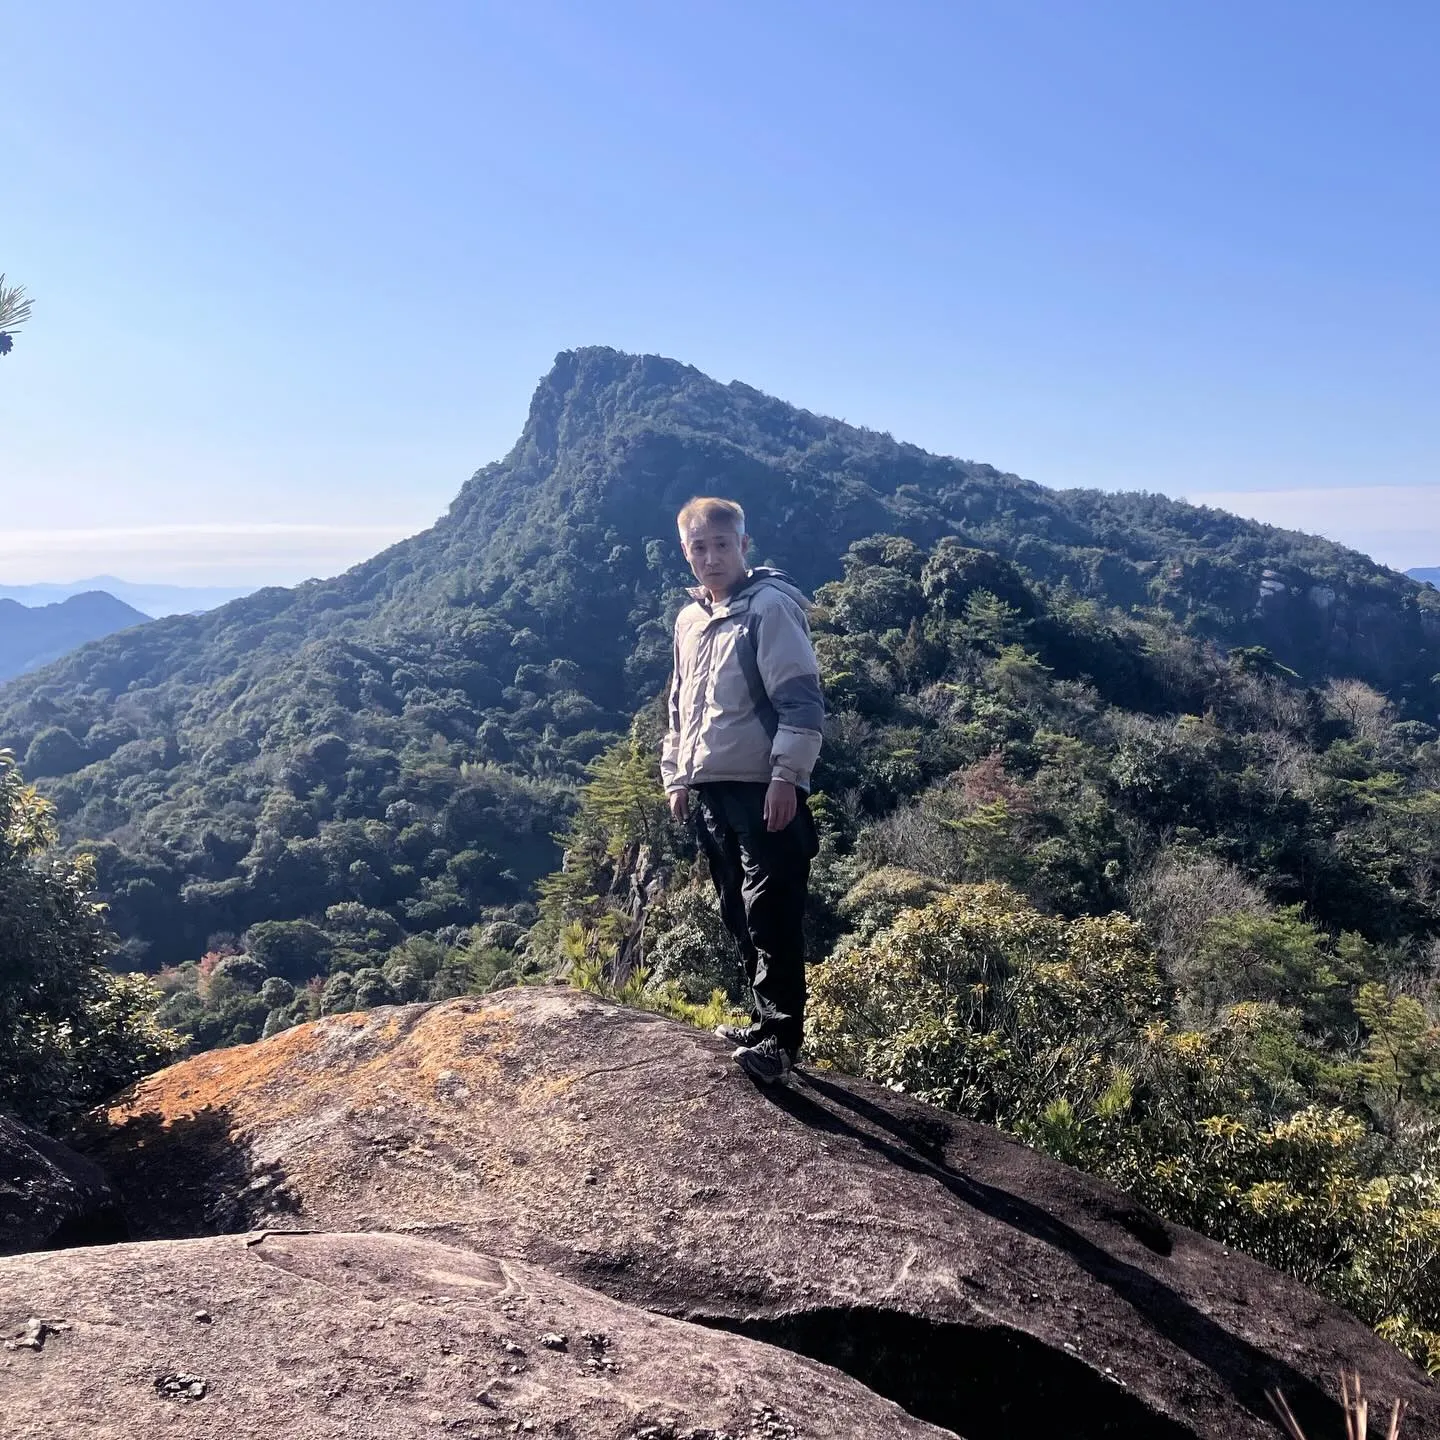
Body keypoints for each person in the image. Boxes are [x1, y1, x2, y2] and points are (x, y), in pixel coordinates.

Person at [661, 496, 824, 1084]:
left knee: (771, 911)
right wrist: (677, 774)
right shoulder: (691, 619)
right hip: (712, 787)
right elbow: (681, 705)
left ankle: (780, 1040)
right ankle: (762, 1022)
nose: (711, 557)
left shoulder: (769, 609)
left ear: (742, 546)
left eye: (721, 545)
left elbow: (802, 701)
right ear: (686, 552)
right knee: (736, 908)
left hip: (765, 787)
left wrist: (786, 777)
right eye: (698, 547)